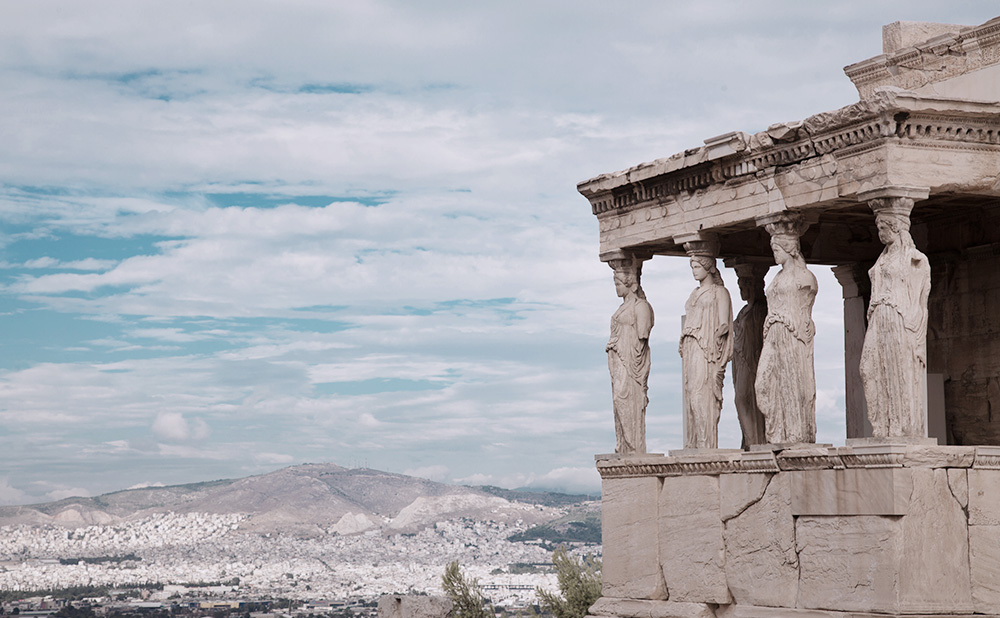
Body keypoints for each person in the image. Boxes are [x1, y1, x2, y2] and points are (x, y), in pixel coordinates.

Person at [861, 205, 930, 437]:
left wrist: (914, 324)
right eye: (878, 227)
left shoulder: (915, 259)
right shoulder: (882, 258)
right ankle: (882, 426)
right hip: (878, 317)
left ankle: (903, 429)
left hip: (899, 318)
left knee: (899, 371)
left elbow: (922, 296)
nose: (880, 232)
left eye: (884, 227)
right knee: (868, 368)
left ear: (897, 227)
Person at [755, 231, 818, 444]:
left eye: (777, 250)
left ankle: (794, 435)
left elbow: (806, 310)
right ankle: (776, 433)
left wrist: (806, 325)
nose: (775, 255)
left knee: (792, 383)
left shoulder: (805, 278)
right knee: (763, 384)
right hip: (772, 334)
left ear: (789, 249)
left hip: (792, 334)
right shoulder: (777, 277)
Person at [679, 255, 733, 449]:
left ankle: (706, 443)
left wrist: (721, 329)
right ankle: (694, 442)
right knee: (691, 392)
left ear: (708, 267)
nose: (694, 270)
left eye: (697, 266)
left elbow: (724, 323)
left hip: (707, 349)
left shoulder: (720, 292)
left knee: (702, 393)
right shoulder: (693, 294)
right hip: (691, 347)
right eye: (692, 266)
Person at [607, 258, 654, 454]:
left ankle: (634, 445)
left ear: (628, 283)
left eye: (618, 284)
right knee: (618, 402)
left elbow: (642, 334)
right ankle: (625, 445)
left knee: (624, 400)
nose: (616, 288)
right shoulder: (622, 308)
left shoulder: (641, 306)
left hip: (631, 362)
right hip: (619, 361)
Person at [732, 264, 769, 449]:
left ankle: (755, 440)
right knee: (742, 398)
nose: (742, 291)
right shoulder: (743, 311)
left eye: (744, 287)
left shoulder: (761, 309)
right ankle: (749, 440)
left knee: (743, 398)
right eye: (739, 287)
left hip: (753, 361)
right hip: (740, 360)